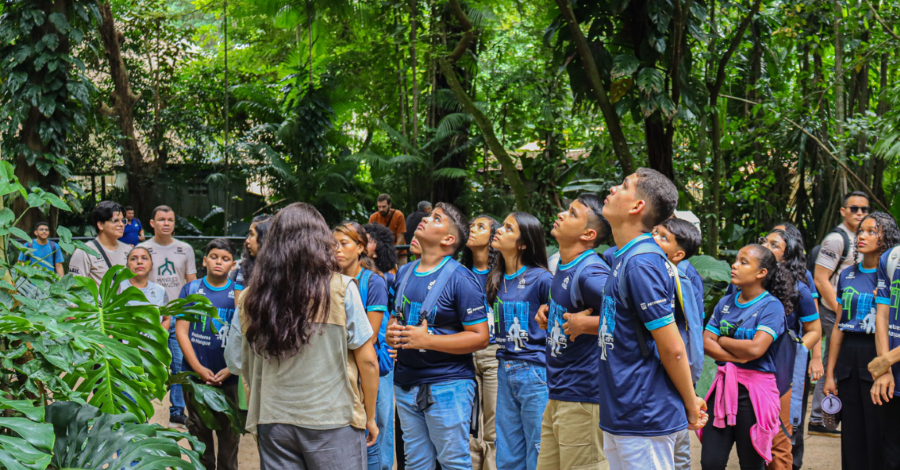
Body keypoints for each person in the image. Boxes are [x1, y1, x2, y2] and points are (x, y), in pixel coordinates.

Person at [240, 203, 379, 468]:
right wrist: (370, 416)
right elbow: (368, 361)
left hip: (273, 420)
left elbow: (240, 363)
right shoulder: (341, 289)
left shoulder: (250, 298)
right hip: (332, 420)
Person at [599, 169, 706, 469]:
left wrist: (690, 402)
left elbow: (671, 347)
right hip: (622, 411)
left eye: (624, 186)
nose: (613, 188)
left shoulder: (642, 263)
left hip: (644, 412)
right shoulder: (626, 257)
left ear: (637, 207)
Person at [385, 203, 489, 470]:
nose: (425, 219)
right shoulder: (405, 272)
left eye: (436, 218)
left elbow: (480, 337)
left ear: (448, 239)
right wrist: (391, 333)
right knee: (416, 463)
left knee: (453, 462)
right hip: (406, 383)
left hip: (448, 385)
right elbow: (398, 318)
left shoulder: (462, 279)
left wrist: (427, 340)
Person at [534, 194, 611, 470]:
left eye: (573, 213)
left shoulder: (591, 273)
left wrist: (588, 324)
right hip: (558, 394)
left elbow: (635, 317)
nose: (562, 214)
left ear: (588, 234)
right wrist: (549, 311)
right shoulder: (565, 266)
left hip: (582, 397)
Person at [700, 244, 793, 469]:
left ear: (761, 273)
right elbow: (705, 341)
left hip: (754, 394)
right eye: (736, 260)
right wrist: (738, 356)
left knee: (751, 462)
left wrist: (722, 340)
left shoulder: (771, 307)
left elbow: (755, 350)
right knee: (710, 462)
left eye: (743, 262)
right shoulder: (725, 303)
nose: (734, 265)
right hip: (723, 389)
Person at [822, 212, 899, 470]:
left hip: (877, 352)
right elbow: (839, 327)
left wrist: (885, 364)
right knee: (852, 432)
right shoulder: (847, 275)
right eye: (860, 232)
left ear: (886, 237)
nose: (862, 236)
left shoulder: (891, 274)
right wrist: (830, 373)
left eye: (871, 231)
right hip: (848, 356)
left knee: (878, 430)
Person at [488, 212, 552, 470]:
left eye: (508, 228)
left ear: (523, 243)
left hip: (535, 371)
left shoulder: (542, 278)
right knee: (507, 450)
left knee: (538, 448)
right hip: (504, 368)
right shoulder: (496, 279)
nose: (499, 230)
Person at [174, 238, 242, 470]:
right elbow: (182, 332)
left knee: (229, 435)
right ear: (204, 261)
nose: (219, 262)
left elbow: (246, 334)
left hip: (230, 377)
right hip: (195, 377)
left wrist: (232, 369)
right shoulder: (192, 289)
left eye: (225, 259)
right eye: (214, 257)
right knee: (199, 432)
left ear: (233, 265)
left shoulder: (239, 294)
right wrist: (197, 368)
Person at [757, 229, 822, 470]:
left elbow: (814, 329)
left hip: (784, 368)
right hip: (751, 365)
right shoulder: (746, 281)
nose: (766, 245)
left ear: (786, 256)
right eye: (765, 241)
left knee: (782, 432)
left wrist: (796, 350)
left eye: (774, 244)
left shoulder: (799, 287)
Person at [809, 190, 868, 437]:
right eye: (854, 209)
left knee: (836, 360)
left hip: (855, 312)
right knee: (833, 361)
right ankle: (819, 418)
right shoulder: (836, 239)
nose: (860, 213)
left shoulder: (862, 237)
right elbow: (821, 280)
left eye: (864, 209)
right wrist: (842, 311)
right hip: (836, 310)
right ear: (843, 211)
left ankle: (824, 417)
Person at [335, 221, 393, 470]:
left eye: (343, 244)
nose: (336, 249)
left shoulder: (373, 282)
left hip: (371, 368)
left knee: (377, 433)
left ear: (360, 248)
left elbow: (369, 336)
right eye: (332, 245)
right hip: (343, 368)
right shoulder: (330, 281)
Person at [140, 205, 198, 429]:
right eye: (161, 219)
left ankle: (177, 410)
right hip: (151, 316)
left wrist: (192, 312)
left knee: (179, 364)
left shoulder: (185, 249)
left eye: (170, 219)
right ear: (152, 223)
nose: (166, 223)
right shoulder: (143, 248)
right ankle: (143, 407)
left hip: (179, 315)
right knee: (146, 363)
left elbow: (191, 282)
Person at [652, 217, 703, 470]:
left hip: (675, 371)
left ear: (678, 254)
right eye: (655, 233)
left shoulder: (683, 278)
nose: (654, 239)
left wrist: (690, 386)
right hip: (657, 371)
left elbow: (693, 330)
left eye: (663, 238)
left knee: (678, 447)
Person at [462, 214, 501, 470]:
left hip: (495, 354)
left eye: (480, 226)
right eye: (471, 225)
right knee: (468, 426)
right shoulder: (460, 273)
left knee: (493, 427)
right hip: (464, 354)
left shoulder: (505, 273)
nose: (472, 230)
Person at [68, 200, 130, 284]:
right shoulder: (84, 252)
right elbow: (74, 285)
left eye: (123, 221)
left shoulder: (129, 250)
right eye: (115, 220)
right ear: (100, 225)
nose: (121, 224)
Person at [119, 246, 169, 325]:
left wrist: (159, 337)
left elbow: (166, 319)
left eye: (144, 258)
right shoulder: (116, 289)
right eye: (133, 258)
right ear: (127, 266)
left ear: (151, 265)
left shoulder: (160, 290)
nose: (139, 262)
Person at [232, 214, 273, 290]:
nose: (247, 240)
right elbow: (238, 301)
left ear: (263, 238)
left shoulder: (282, 268)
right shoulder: (245, 267)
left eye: (252, 234)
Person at [369, 193, 407, 263]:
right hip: (380, 255)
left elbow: (400, 237)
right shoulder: (373, 217)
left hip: (399, 254)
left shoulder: (398, 215)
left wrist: (394, 254)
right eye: (379, 207)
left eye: (384, 207)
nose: (381, 209)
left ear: (390, 205)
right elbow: (371, 238)